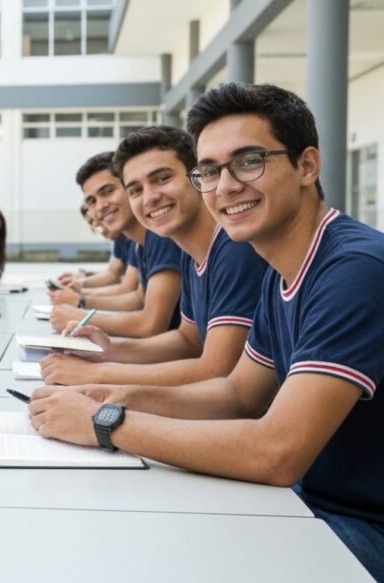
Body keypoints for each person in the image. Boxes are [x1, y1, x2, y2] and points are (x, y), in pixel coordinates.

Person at [29, 83, 384, 579]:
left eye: (249, 161)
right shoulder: (281, 264)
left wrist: (103, 423)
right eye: (211, 171)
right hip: (308, 499)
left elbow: (277, 452)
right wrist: (113, 392)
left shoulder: (354, 268)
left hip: (362, 525)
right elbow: (236, 393)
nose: (225, 185)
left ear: (307, 165)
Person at [41, 126, 267, 386]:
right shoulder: (190, 253)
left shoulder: (235, 250)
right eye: (136, 189)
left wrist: (97, 373)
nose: (150, 197)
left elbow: (218, 370)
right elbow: (188, 340)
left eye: (162, 178)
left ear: (199, 177)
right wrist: (110, 350)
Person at [49, 151, 182, 338]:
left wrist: (81, 307)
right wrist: (80, 293)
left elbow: (151, 323)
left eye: (108, 191)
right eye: (92, 201)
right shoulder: (141, 242)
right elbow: (139, 297)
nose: (101, 206)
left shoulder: (160, 236)